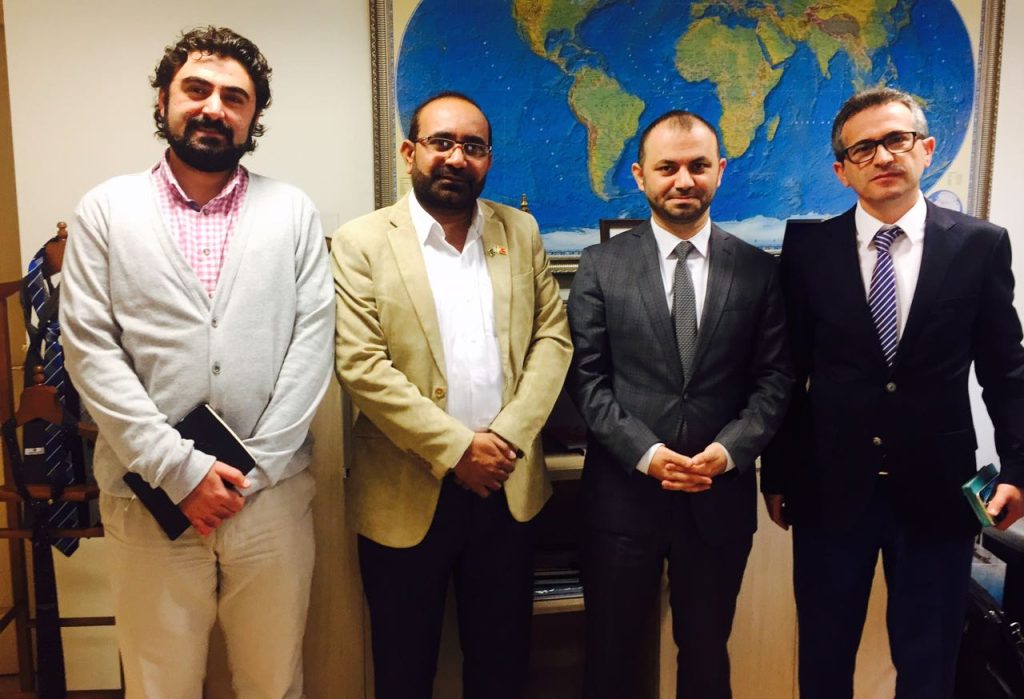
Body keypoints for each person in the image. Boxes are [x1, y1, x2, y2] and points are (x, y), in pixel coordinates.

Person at [60, 26, 333, 698]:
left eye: (235, 97)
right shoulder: (105, 210)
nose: (214, 107)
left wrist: (250, 473)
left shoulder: (292, 212)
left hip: (269, 499)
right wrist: (180, 471)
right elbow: (91, 349)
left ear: (254, 116)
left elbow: (312, 344)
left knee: (274, 682)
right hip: (147, 496)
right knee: (159, 685)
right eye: (197, 89)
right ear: (164, 100)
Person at [761, 86, 1024, 698]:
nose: (882, 156)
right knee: (824, 656)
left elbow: (1006, 370)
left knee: (929, 662)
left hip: (938, 491)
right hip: (829, 489)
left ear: (925, 149)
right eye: (863, 148)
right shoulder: (808, 251)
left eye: (896, 140)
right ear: (842, 170)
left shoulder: (980, 244)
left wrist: (1018, 468)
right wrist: (778, 474)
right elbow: (786, 373)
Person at [332, 91, 572, 698]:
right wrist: (460, 449)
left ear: (488, 159)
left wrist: (504, 440)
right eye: (441, 142)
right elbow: (361, 364)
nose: (456, 158)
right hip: (404, 490)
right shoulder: (361, 241)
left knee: (502, 669)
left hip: (506, 487)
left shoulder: (520, 231)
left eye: (473, 146)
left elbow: (552, 339)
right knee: (404, 672)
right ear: (409, 152)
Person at [567, 110, 792, 698]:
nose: (683, 180)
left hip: (718, 499)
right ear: (640, 175)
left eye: (698, 166)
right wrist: (646, 453)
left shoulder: (759, 270)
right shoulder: (600, 266)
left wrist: (729, 451)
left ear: (720, 171)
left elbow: (775, 380)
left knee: (707, 656)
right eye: (667, 167)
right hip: (622, 499)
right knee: (611, 657)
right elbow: (587, 381)